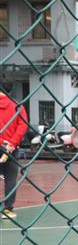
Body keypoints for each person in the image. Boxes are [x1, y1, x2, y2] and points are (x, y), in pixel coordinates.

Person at [0, 84, 28, 219]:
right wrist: (12, 143)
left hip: (2, 144)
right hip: (10, 148)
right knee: (10, 178)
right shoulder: (17, 106)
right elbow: (23, 125)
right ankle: (8, 209)